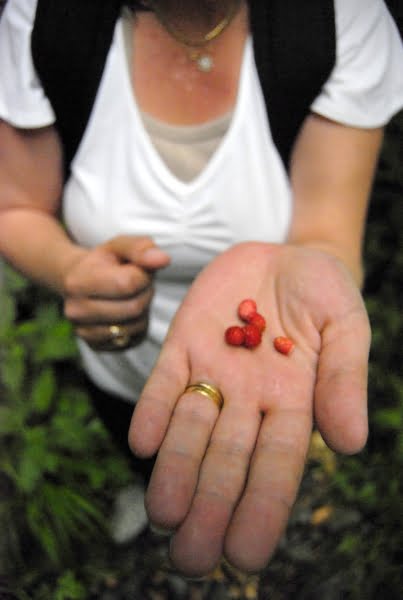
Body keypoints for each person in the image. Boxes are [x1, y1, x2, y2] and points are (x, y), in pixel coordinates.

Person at [0, 0, 403, 579]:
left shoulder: (340, 18)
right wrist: (71, 269)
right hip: (119, 362)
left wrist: (314, 270)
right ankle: (146, 492)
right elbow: (16, 206)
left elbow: (328, 231)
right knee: (140, 443)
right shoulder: (42, 17)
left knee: (240, 469)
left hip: (259, 381)